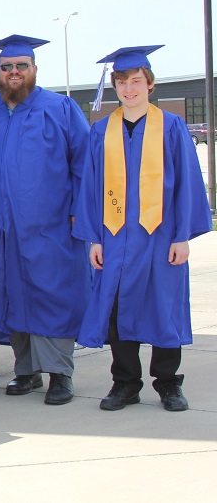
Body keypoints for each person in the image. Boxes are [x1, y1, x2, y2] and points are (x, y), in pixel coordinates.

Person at [73, 46, 211, 412]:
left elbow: (187, 183)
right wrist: (93, 240)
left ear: (150, 85)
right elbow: (90, 187)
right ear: (115, 87)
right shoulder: (101, 131)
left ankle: (168, 384)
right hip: (115, 237)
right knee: (118, 310)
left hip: (161, 236)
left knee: (163, 307)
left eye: (136, 81)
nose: (129, 89)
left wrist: (183, 235)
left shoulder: (171, 126)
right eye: (122, 82)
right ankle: (125, 384)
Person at [0, 34, 91, 405]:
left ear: (34, 69)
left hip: (50, 225)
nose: (13, 72)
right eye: (7, 67)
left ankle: (60, 373)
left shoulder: (61, 109)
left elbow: (83, 164)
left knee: (52, 294)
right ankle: (27, 371)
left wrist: (78, 213)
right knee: (9, 292)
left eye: (21, 66)